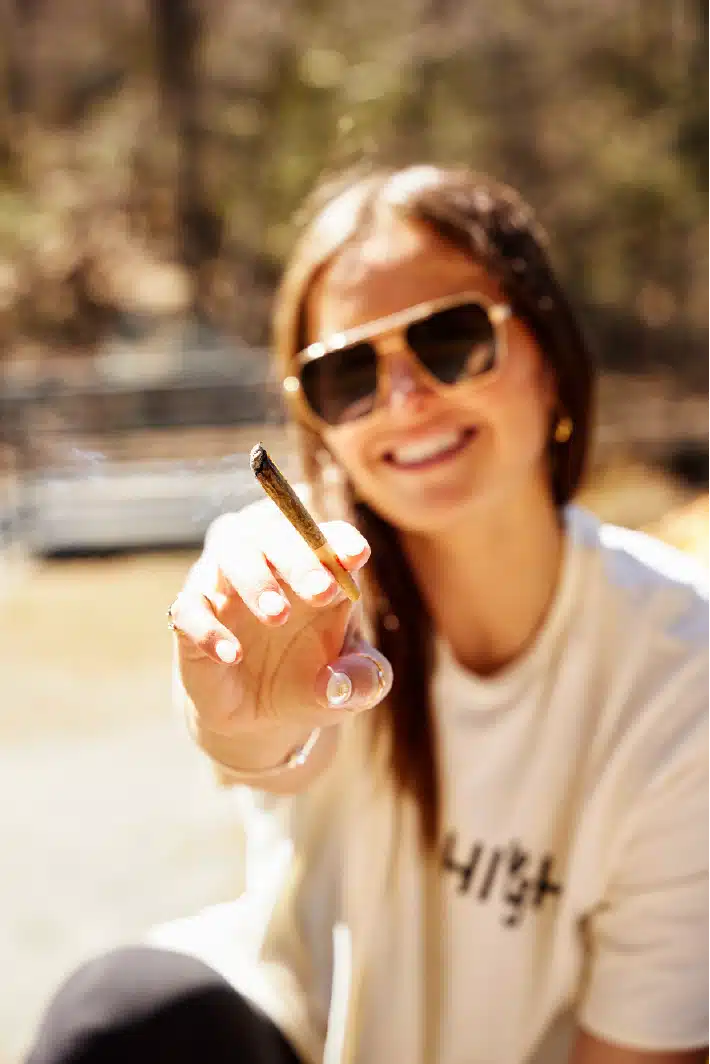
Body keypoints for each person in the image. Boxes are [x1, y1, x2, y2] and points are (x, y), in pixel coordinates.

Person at [26, 164, 710, 1064]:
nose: (402, 398)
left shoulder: (681, 672)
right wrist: (239, 718)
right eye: (348, 373)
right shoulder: (299, 584)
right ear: (320, 426)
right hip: (298, 1041)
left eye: (452, 340)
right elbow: (268, 756)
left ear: (548, 357)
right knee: (124, 1015)